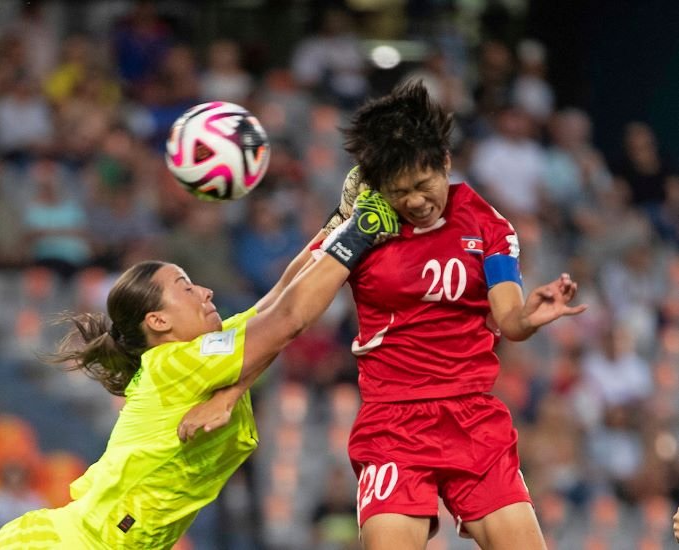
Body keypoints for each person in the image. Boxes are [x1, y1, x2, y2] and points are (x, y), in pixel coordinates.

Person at [181, 81, 587, 550]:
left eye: (423, 184)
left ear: (446, 163)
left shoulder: (486, 223)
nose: (415, 201)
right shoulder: (364, 228)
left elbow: (510, 321)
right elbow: (288, 310)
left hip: (473, 419)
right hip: (393, 426)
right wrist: (231, 393)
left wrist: (532, 316)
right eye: (399, 192)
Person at [0, 191, 400, 549]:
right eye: (186, 286)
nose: (205, 290)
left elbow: (276, 302)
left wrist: (338, 222)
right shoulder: (176, 363)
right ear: (159, 322)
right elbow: (289, 318)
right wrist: (360, 233)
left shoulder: (201, 351)